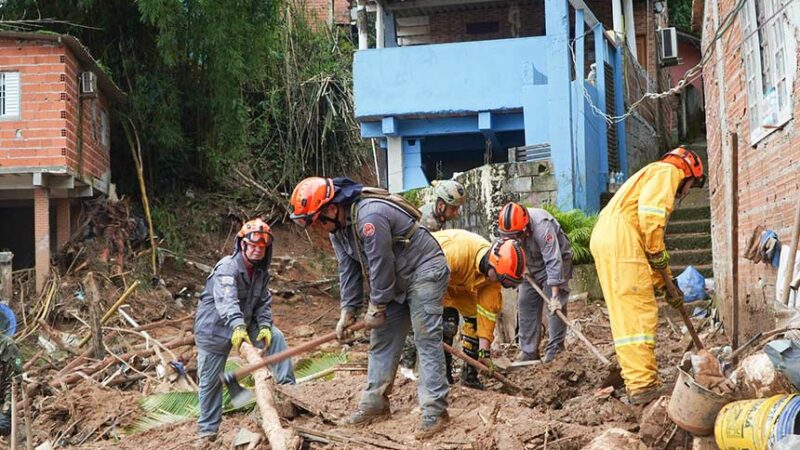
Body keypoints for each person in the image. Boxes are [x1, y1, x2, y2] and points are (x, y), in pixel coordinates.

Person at [289, 177, 450, 439]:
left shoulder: (369, 217)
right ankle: (374, 404)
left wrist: (377, 305)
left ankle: (435, 411)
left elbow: (380, 263)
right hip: (397, 278)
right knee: (382, 339)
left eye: (316, 220)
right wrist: (347, 311)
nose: (315, 228)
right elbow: (348, 270)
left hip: (424, 269)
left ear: (331, 209)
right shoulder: (338, 229)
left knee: (426, 338)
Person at [589, 146, 705, 405]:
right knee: (637, 314)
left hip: (612, 237)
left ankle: (637, 380)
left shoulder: (650, 175)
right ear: (687, 173)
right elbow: (651, 220)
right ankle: (643, 387)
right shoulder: (668, 172)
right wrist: (657, 251)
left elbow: (643, 240)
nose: (686, 193)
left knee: (627, 314)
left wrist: (666, 285)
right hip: (621, 239)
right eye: (691, 186)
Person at [194, 219, 295, 441]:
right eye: (254, 246)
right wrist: (237, 326)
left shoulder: (260, 272)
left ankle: (290, 394)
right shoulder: (227, 268)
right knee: (211, 382)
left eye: (262, 247)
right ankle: (207, 431)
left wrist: (265, 326)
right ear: (242, 245)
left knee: (276, 337)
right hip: (215, 329)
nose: (258, 250)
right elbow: (227, 301)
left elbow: (263, 302)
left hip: (244, 322)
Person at [432, 230, 526, 389]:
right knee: (447, 325)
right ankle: (442, 377)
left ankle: (469, 376)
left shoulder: (491, 280)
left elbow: (486, 316)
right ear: (493, 265)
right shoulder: (456, 253)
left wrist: (484, 353)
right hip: (433, 276)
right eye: (503, 280)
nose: (502, 284)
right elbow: (428, 285)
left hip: (460, 283)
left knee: (475, 321)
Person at [498, 202, 573, 363]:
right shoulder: (508, 230)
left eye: (516, 235)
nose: (513, 239)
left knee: (554, 309)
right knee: (525, 303)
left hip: (556, 263)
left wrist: (554, 297)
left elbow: (553, 260)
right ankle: (528, 351)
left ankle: (556, 350)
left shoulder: (541, 226)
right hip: (530, 266)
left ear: (525, 229)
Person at [0, 334, 21, 437]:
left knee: (3, 426)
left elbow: (16, 379)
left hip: (3, 398)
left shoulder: (9, 346)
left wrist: (6, 411)